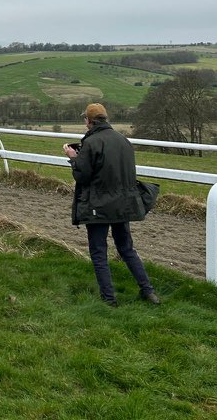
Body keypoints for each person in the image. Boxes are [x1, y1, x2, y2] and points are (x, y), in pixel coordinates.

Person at [64, 103, 160, 307]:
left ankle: (109, 299)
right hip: (123, 204)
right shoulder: (123, 140)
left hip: (98, 206)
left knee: (99, 251)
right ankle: (148, 291)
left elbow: (83, 176)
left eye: (85, 120)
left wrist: (73, 159)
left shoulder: (91, 142)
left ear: (89, 121)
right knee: (126, 249)